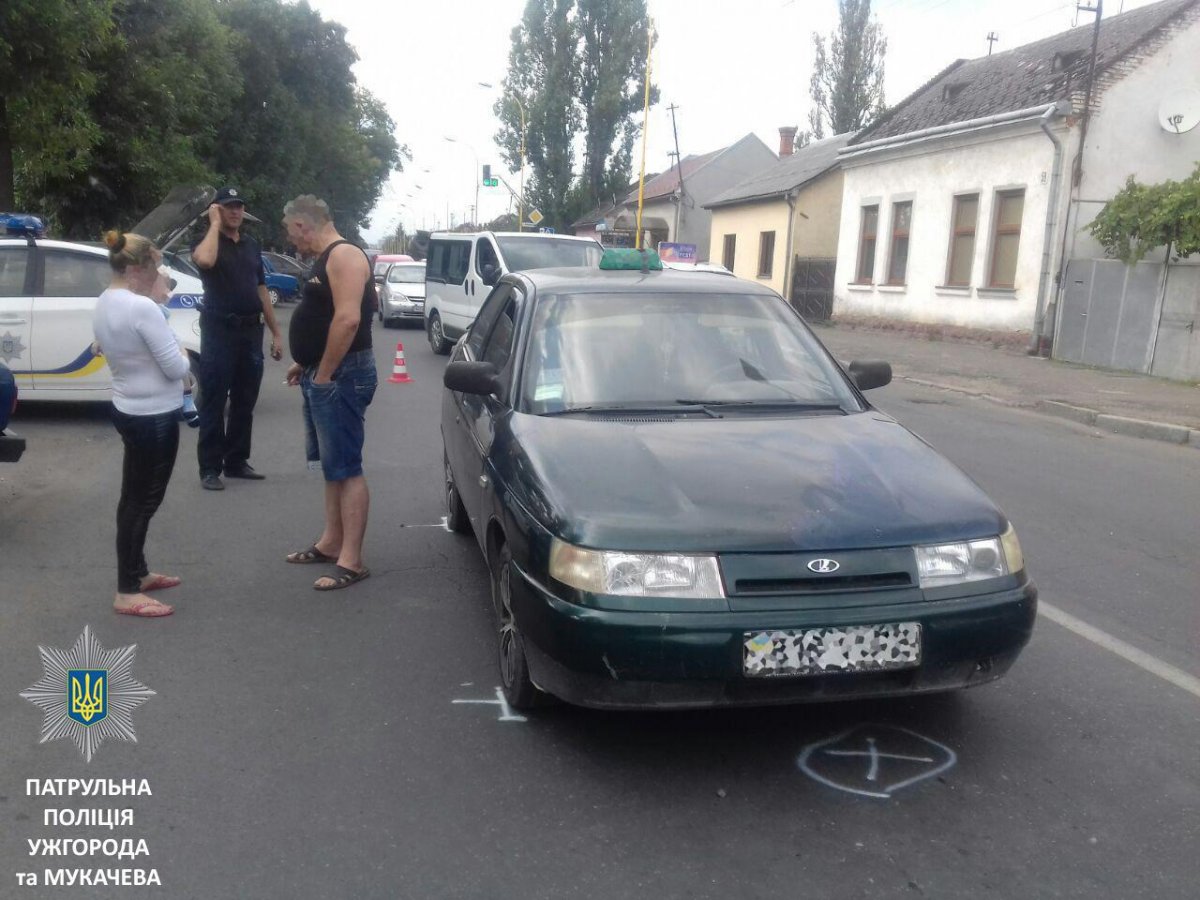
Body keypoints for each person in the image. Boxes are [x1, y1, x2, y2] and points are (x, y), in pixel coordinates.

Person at [92, 231, 190, 617]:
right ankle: (127, 590)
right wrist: (182, 351)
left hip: (129, 407)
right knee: (143, 502)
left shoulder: (105, 300)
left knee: (133, 498)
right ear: (136, 268)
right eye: (155, 267)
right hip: (153, 415)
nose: (159, 274)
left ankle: (138, 573)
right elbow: (176, 368)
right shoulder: (141, 308)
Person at [282, 195, 377, 591]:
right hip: (326, 372)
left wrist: (323, 373)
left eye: (291, 234)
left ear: (302, 225)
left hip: (342, 376)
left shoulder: (344, 256)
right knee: (331, 465)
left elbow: (348, 319)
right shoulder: (326, 259)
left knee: (347, 467)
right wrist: (305, 363)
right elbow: (324, 317)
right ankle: (330, 542)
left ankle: (351, 560)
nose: (292, 242)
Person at [191, 186, 283, 491]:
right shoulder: (206, 242)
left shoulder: (251, 244)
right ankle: (209, 468)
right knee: (214, 400)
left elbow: (261, 289)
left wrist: (276, 333)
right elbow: (205, 261)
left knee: (245, 400)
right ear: (216, 210)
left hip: (250, 332)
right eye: (228, 206)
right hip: (219, 331)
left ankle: (236, 461)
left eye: (239, 206)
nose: (235, 211)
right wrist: (214, 225)